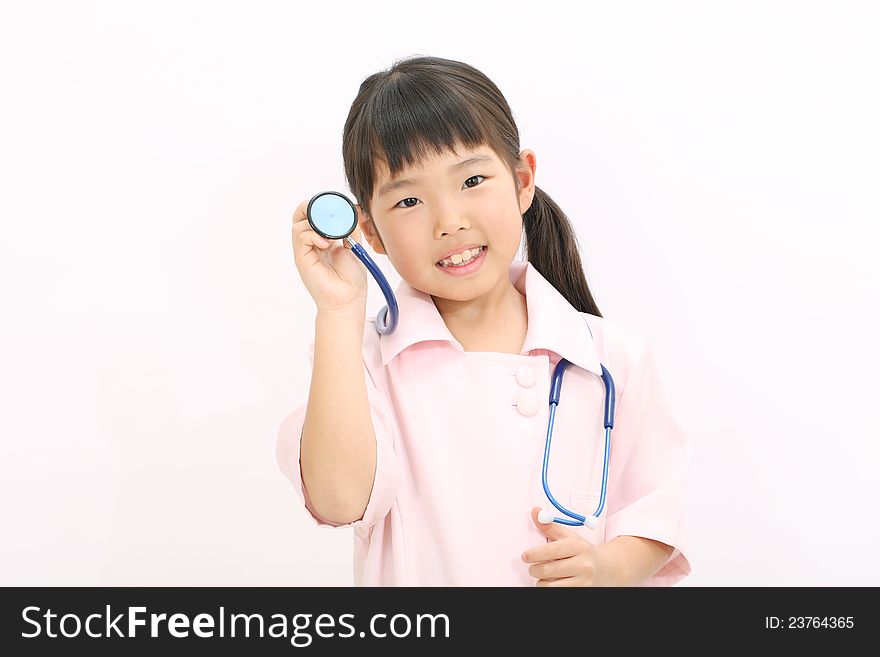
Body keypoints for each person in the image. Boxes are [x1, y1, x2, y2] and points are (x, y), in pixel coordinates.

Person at [277, 55, 692, 586]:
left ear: (523, 181)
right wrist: (337, 311)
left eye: (472, 179)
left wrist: (605, 567)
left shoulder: (613, 359)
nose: (450, 221)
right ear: (371, 233)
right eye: (408, 199)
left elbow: (655, 514)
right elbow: (339, 500)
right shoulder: (361, 359)